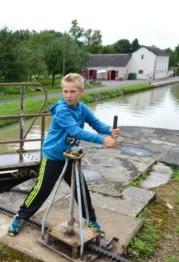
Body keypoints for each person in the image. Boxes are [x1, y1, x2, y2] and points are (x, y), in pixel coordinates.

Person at [8, 73, 119, 236]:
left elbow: (96, 123)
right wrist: (103, 141)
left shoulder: (82, 108)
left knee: (81, 189)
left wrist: (110, 130)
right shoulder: (61, 110)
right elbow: (75, 131)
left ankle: (91, 219)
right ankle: (20, 216)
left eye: (72, 91)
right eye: (65, 91)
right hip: (53, 156)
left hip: (70, 156)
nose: (68, 95)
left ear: (81, 91)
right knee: (41, 190)